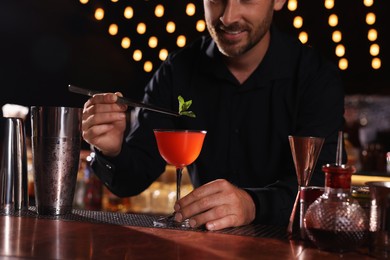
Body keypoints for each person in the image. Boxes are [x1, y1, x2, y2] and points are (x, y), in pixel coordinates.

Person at [82, 0, 346, 231]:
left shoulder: (315, 78)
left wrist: (253, 205)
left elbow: (322, 187)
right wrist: (112, 151)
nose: (228, 17)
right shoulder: (177, 72)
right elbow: (133, 179)